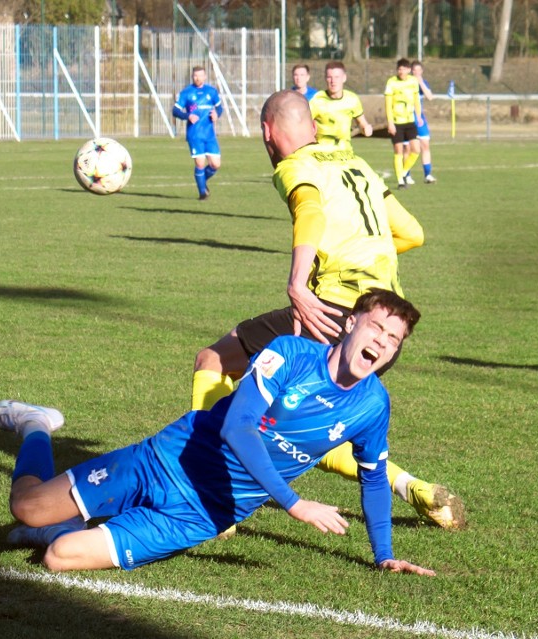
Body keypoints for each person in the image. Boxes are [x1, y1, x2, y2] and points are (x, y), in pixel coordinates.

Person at [0, 290, 436, 576]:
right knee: (26, 508)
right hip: (164, 462)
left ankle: (64, 528)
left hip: (203, 514)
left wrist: (384, 555)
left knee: (60, 556)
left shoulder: (373, 405)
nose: (382, 342)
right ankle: (35, 426)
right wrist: (296, 505)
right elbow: (238, 429)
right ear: (351, 323)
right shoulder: (291, 355)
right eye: (377, 326)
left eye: (394, 339)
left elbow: (374, 476)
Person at [190, 90, 464, 530]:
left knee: (214, 360)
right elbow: (413, 233)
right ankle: (415, 488)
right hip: (386, 325)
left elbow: (311, 211)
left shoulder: (294, 166)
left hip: (336, 311)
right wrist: (359, 252)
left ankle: (208, 488)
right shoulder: (356, 165)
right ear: (314, 127)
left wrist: (299, 281)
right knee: (304, 427)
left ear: (267, 133)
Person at [172, 66, 223, 200]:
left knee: (215, 165)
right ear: (192, 77)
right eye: (195, 76)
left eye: (200, 76)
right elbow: (175, 111)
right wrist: (187, 116)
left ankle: (202, 181)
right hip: (194, 135)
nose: (198, 78)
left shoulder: (211, 92)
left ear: (205, 77)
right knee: (200, 163)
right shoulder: (186, 93)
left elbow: (220, 108)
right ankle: (202, 193)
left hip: (210, 135)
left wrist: (216, 114)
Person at [309, 61, 373, 148]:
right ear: (325, 78)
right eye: (329, 77)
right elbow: (305, 127)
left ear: (344, 78)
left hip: (344, 152)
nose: (333, 81)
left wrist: (365, 128)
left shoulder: (352, 99)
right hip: (323, 153)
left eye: (337, 77)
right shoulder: (316, 100)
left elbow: (362, 123)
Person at [384, 58, 422, 190]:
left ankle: (404, 172)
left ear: (409, 70)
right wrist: (390, 122)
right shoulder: (391, 82)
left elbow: (416, 100)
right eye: (399, 69)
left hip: (410, 121)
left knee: (416, 149)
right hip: (396, 122)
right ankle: (400, 181)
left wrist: (419, 115)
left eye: (403, 69)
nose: (401, 71)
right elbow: (388, 105)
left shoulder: (413, 81)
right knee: (399, 151)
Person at [404, 61, 437, 185]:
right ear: (410, 71)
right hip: (407, 118)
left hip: (420, 119)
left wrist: (421, 82)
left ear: (421, 71)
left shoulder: (423, 83)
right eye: (414, 70)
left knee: (425, 145)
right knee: (408, 148)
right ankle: (406, 175)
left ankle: (427, 175)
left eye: (418, 70)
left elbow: (429, 97)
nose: (416, 73)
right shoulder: (405, 83)